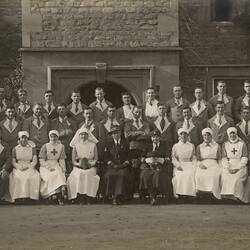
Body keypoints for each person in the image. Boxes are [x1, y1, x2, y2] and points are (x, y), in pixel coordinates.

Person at [67, 127, 100, 204]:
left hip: (90, 166)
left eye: (85, 134)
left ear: (88, 135)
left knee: (88, 174)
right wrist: (79, 164)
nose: (83, 136)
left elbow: (95, 159)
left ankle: (89, 196)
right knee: (79, 174)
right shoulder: (76, 145)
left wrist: (90, 164)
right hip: (78, 167)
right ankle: (80, 196)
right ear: (79, 135)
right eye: (82, 134)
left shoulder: (93, 145)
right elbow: (73, 161)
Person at [139, 131, 172, 205]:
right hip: (149, 166)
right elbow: (142, 158)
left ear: (160, 138)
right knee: (145, 174)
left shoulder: (165, 146)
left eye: (157, 137)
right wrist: (149, 160)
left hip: (161, 166)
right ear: (151, 138)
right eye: (154, 137)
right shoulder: (148, 146)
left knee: (158, 174)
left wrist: (159, 160)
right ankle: (152, 196)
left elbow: (168, 158)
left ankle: (157, 196)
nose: (155, 138)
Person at [124, 105, 151, 194]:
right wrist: (139, 132)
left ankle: (142, 192)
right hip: (132, 150)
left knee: (143, 169)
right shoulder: (128, 124)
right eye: (136, 112)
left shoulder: (145, 124)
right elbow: (127, 135)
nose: (137, 114)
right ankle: (132, 191)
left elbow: (147, 135)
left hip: (143, 150)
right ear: (133, 112)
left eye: (139, 112)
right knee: (133, 170)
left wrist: (134, 136)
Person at [9, 131, 40, 203]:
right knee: (17, 177)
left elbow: (35, 161)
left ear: (27, 139)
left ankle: (30, 197)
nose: (23, 140)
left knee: (32, 177)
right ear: (19, 139)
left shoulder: (32, 148)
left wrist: (29, 166)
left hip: (29, 165)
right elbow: (13, 161)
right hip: (19, 166)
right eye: (22, 138)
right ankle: (18, 197)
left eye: (25, 138)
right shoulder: (15, 149)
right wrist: (18, 167)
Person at [220, 127, 249, 203]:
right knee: (225, 175)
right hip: (229, 164)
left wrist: (238, 167)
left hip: (239, 164)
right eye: (230, 133)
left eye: (234, 133)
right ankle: (228, 196)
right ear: (228, 134)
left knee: (237, 178)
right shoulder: (225, 144)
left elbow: (245, 157)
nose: (232, 135)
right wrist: (228, 167)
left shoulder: (242, 144)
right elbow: (224, 158)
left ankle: (237, 197)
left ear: (236, 134)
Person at [104, 125, 131, 205]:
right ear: (111, 134)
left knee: (122, 174)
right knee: (110, 175)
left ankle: (120, 196)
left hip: (123, 166)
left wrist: (124, 164)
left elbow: (129, 156)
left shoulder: (125, 142)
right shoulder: (108, 143)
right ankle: (113, 197)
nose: (116, 134)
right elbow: (106, 157)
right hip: (112, 166)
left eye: (118, 132)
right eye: (114, 133)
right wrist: (112, 164)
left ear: (120, 133)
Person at [39, 130, 67, 205]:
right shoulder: (45, 146)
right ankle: (50, 195)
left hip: (55, 164)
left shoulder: (61, 146)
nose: (53, 138)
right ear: (49, 137)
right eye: (52, 136)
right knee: (49, 177)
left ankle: (59, 196)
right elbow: (41, 160)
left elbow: (61, 159)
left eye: (55, 136)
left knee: (59, 174)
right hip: (45, 165)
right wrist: (48, 167)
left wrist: (63, 168)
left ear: (57, 137)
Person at [195, 128, 222, 199]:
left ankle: (212, 193)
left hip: (213, 163)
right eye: (205, 136)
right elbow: (197, 159)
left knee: (214, 175)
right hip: (203, 163)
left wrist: (221, 167)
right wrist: (200, 164)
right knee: (198, 174)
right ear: (203, 137)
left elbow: (219, 159)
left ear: (211, 136)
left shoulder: (216, 146)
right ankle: (201, 193)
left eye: (208, 135)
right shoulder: (199, 146)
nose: (206, 137)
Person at [51, 103, 77, 173]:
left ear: (66, 110)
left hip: (69, 147)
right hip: (57, 148)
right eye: (59, 109)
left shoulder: (72, 122)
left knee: (69, 168)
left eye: (63, 109)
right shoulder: (53, 122)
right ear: (57, 111)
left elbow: (75, 135)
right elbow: (52, 134)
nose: (61, 111)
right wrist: (64, 132)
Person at [172, 128, 196, 198]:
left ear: (187, 136)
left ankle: (189, 194)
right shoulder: (175, 146)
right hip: (180, 164)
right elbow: (173, 157)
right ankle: (180, 194)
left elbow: (193, 157)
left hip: (189, 164)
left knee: (191, 174)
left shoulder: (191, 145)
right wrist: (177, 165)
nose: (183, 136)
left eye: (185, 135)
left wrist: (194, 164)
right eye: (181, 135)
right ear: (179, 136)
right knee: (180, 175)